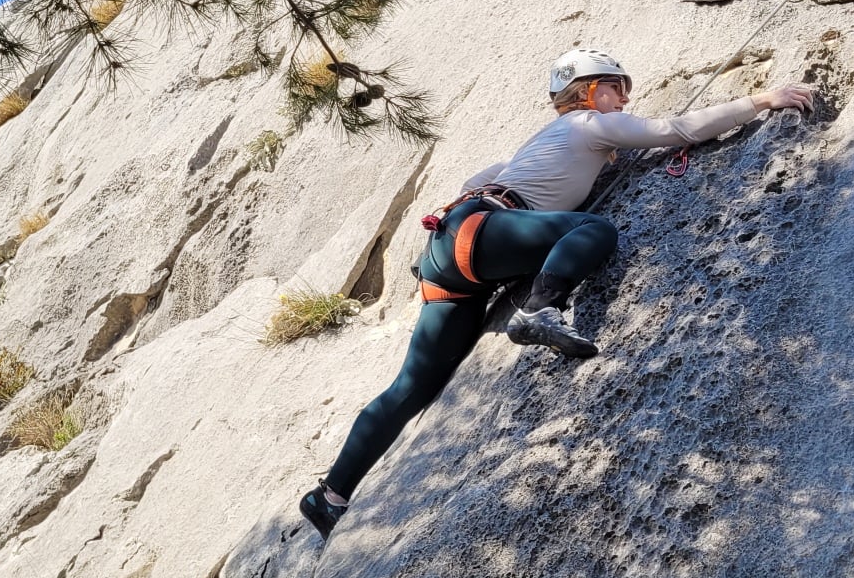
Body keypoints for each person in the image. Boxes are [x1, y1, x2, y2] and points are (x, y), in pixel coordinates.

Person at [298, 49, 817, 539]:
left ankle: (330, 494)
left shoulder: (541, 143)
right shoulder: (589, 123)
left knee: (414, 385)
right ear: (588, 92)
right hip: (482, 234)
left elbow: (478, 178)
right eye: (615, 88)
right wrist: (760, 100)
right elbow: (674, 130)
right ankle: (540, 309)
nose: (625, 98)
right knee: (595, 229)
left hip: (450, 253)